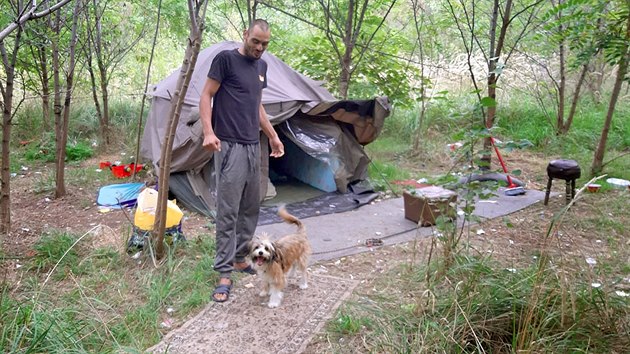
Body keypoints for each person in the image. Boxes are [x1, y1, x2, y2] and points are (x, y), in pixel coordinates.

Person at [199, 19, 284, 303]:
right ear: (245, 35)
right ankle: (224, 272)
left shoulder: (262, 67)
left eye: (265, 44)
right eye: (256, 41)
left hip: (253, 146)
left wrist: (272, 136)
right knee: (228, 210)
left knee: (251, 207)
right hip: (229, 145)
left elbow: (256, 104)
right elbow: (206, 94)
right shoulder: (225, 60)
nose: (260, 48)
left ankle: (239, 258)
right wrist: (209, 132)